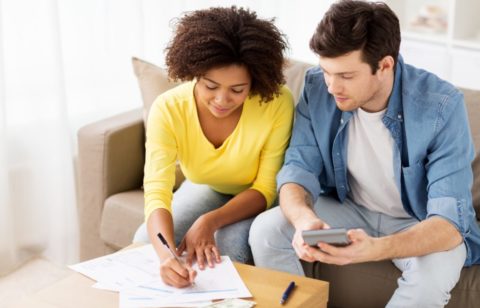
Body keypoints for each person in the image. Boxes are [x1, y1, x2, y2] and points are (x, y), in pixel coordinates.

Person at [249, 0, 480, 306]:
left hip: (418, 222)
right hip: (351, 209)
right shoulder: (317, 88)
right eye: (326, 71)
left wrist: (374, 248)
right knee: (266, 230)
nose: (332, 86)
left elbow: (449, 223)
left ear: (385, 65)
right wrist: (304, 219)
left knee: (430, 279)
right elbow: (297, 170)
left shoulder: (441, 105)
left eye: (346, 76)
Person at [133, 6, 294, 288]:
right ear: (194, 72)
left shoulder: (276, 103)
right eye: (210, 86)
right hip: (209, 187)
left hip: (260, 197)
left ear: (254, 82)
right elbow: (157, 190)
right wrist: (167, 257)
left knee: (227, 247)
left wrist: (209, 222)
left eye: (237, 90)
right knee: (147, 244)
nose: (222, 100)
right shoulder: (169, 109)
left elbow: (266, 189)